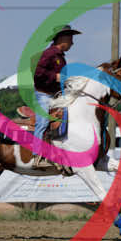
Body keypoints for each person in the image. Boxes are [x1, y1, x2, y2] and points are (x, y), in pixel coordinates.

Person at [32, 24, 81, 168]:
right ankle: (37, 157)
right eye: (70, 39)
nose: (72, 43)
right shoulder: (48, 54)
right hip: (44, 94)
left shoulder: (60, 57)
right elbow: (37, 73)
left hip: (56, 96)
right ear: (62, 39)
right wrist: (55, 77)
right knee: (42, 122)